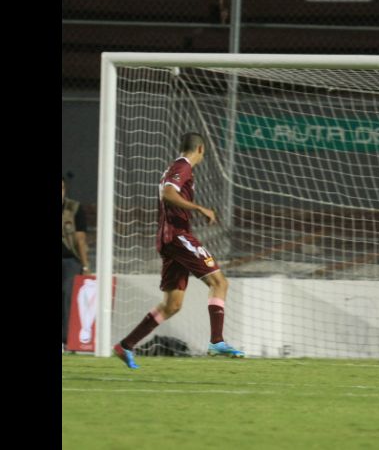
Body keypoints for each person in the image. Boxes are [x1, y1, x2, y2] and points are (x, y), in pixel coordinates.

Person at [113, 132, 245, 369]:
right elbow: (168, 193)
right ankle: (217, 341)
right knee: (220, 283)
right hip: (177, 236)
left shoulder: (174, 168)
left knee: (172, 304)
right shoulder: (182, 166)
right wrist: (200, 208)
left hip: (167, 240)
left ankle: (126, 345)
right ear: (201, 149)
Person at [62, 176, 91, 352]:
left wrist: (86, 266)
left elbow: (80, 239)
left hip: (69, 259)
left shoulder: (74, 208)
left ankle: (66, 339)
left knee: (67, 294)